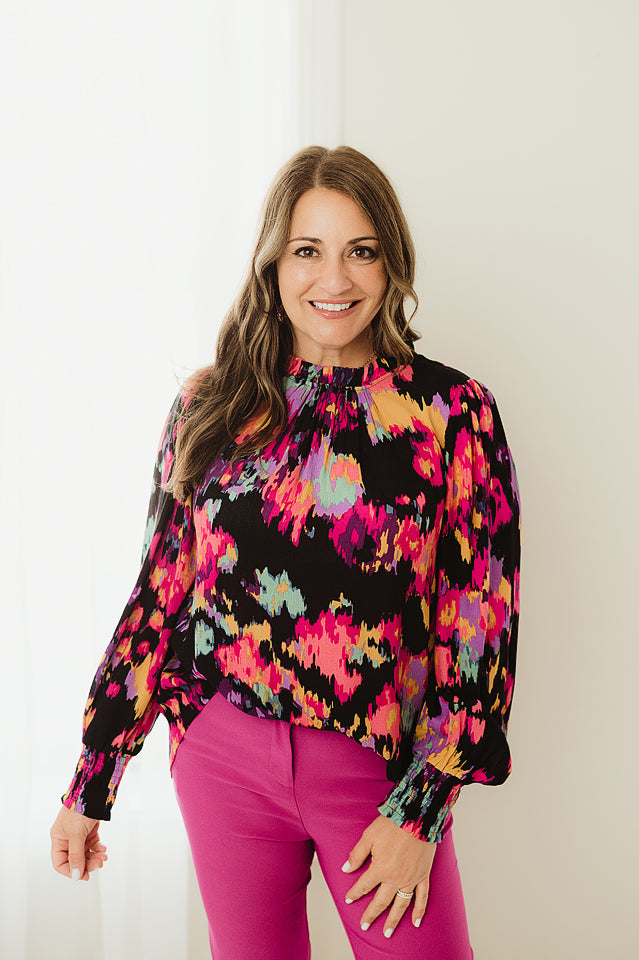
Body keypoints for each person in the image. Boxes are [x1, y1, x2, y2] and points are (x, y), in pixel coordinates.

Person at [50, 145, 520, 960]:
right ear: (273, 262)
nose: (333, 278)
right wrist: (94, 777)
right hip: (222, 758)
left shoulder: (453, 413)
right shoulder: (209, 404)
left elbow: (479, 627)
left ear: (390, 262)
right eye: (307, 250)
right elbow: (160, 595)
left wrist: (420, 811)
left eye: (359, 251)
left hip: (376, 772)